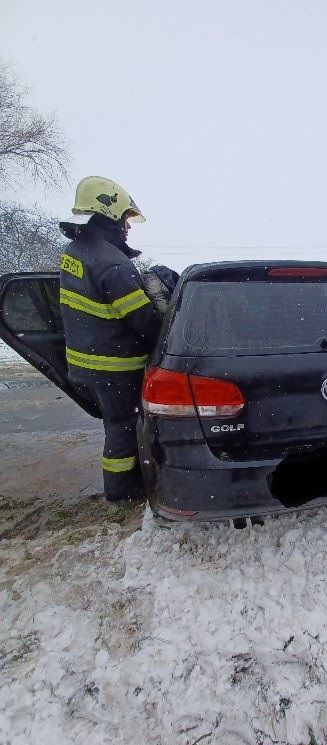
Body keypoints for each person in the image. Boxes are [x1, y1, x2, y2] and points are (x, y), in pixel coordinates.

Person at [58, 176, 163, 502]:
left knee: (116, 423)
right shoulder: (113, 265)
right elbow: (143, 320)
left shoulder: (76, 251)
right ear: (110, 215)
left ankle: (122, 484)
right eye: (125, 219)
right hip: (113, 367)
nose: (128, 227)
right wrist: (166, 336)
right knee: (122, 425)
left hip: (85, 362)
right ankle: (122, 490)